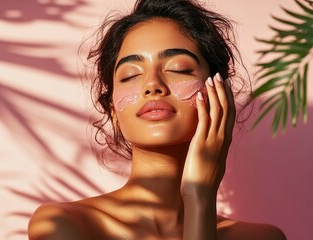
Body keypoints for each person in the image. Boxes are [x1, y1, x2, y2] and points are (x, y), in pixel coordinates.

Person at [28, 0, 287, 239]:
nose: (152, 85)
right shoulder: (65, 224)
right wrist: (199, 198)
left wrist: (200, 198)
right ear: (113, 112)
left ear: (219, 95)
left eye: (179, 69)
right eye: (130, 75)